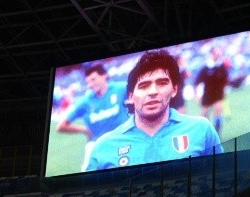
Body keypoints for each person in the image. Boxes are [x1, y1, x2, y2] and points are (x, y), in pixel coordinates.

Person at [85, 50, 223, 171]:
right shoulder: (103, 147)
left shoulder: (201, 129)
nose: (152, 91)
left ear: (174, 89)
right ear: (130, 96)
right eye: (143, 86)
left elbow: (223, 179)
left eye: (162, 83)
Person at [56, 63, 128, 171]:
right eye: (88, 82)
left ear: (104, 75)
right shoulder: (85, 102)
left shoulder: (121, 88)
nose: (90, 84)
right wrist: (84, 130)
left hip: (123, 140)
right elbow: (61, 126)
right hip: (98, 145)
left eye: (93, 79)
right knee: (86, 178)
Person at [194, 47, 230, 135]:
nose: (218, 55)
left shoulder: (221, 66)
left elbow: (226, 80)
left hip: (218, 93)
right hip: (208, 94)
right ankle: (201, 131)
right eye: (216, 53)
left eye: (219, 53)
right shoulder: (206, 67)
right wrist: (196, 95)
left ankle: (217, 133)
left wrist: (224, 90)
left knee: (218, 110)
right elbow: (196, 82)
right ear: (212, 54)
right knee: (204, 114)